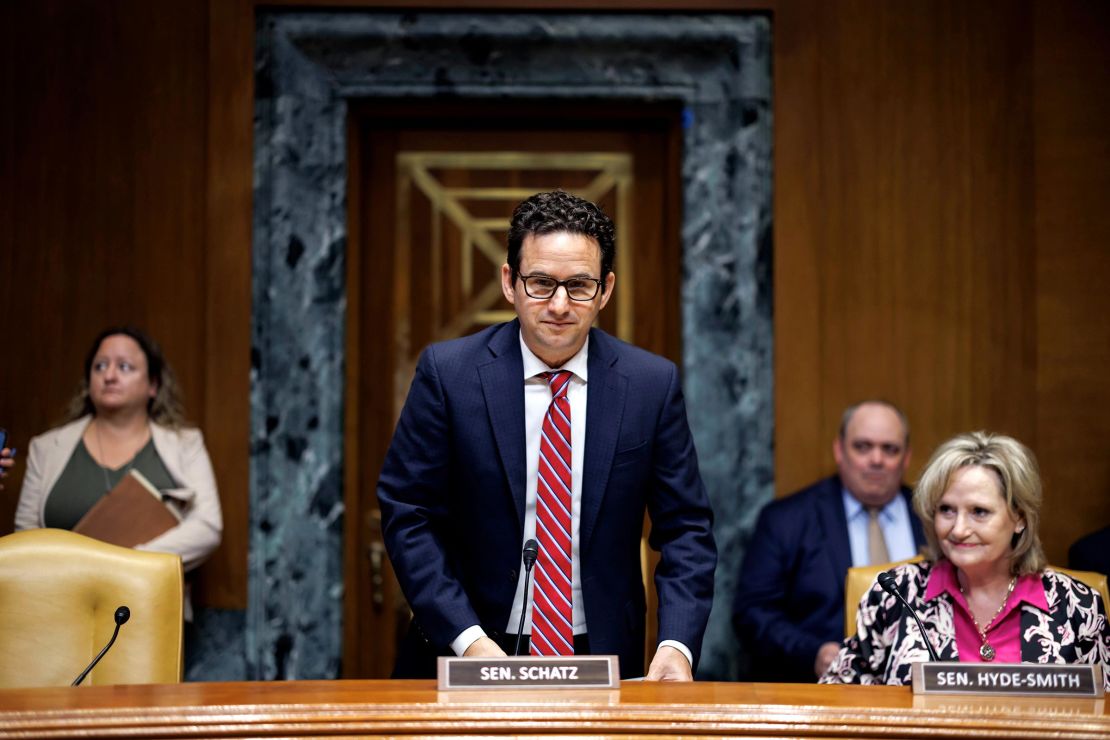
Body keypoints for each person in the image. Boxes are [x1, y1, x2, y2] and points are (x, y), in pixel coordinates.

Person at [377, 190, 716, 680]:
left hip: (597, 652)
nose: (560, 305)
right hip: (467, 649)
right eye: (541, 283)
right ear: (510, 283)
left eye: (579, 285)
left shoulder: (649, 385)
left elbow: (686, 529)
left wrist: (677, 644)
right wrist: (468, 639)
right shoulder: (449, 375)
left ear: (606, 290)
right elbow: (409, 514)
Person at [822, 432, 1110, 688]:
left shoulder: (1077, 606)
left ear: (1020, 517)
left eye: (979, 512)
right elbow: (835, 700)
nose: (958, 529)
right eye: (946, 510)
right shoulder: (896, 595)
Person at [15, 326, 223, 619]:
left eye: (124, 367)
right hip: (57, 613)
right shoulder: (46, 448)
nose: (110, 375)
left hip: (150, 610)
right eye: (100, 366)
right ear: (89, 381)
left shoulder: (185, 445)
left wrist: (125, 565)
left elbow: (207, 527)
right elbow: (26, 537)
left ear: (152, 385)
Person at [733, 400, 925, 682]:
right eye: (862, 446)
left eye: (890, 449)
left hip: (918, 689)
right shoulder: (787, 519)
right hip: (818, 692)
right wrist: (813, 653)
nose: (877, 459)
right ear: (839, 450)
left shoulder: (934, 518)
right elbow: (752, 614)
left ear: (906, 457)